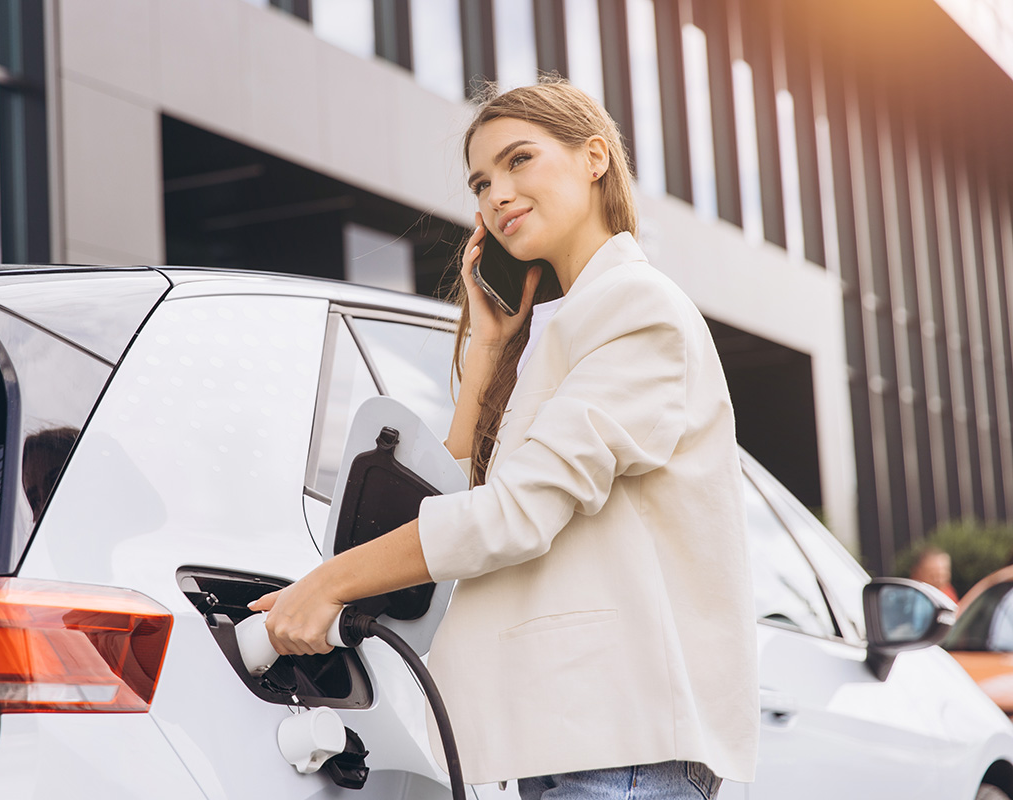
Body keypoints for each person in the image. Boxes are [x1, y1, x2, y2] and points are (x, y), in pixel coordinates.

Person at [250, 78, 759, 799]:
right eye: (482, 181)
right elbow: (458, 500)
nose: (497, 194)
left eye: (520, 161)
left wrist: (329, 583)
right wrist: (488, 355)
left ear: (594, 158)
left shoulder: (637, 308)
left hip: (622, 744)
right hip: (572, 737)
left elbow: (513, 516)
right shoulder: (560, 328)